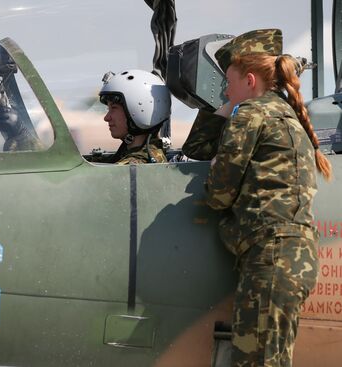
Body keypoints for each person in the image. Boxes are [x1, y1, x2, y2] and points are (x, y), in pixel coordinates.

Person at [183, 29, 332, 366]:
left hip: (271, 258)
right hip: (287, 259)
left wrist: (219, 165)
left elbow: (218, 195)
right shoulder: (282, 114)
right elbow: (198, 149)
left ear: (250, 80)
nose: (225, 91)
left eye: (228, 83)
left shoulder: (252, 114)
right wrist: (223, 109)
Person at [88, 69, 171, 164]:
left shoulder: (135, 165)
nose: (106, 118)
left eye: (114, 108)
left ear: (139, 109)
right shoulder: (143, 156)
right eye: (108, 109)